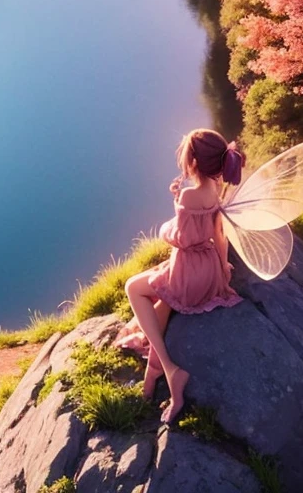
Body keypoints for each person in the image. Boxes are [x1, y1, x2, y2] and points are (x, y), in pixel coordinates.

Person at [116, 129, 245, 422]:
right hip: (209, 268)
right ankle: (151, 382)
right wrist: (222, 272)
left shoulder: (189, 195)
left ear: (194, 163)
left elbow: (178, 237)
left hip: (189, 271)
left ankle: (170, 370)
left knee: (133, 288)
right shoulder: (215, 189)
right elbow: (218, 236)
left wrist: (173, 212)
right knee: (162, 304)